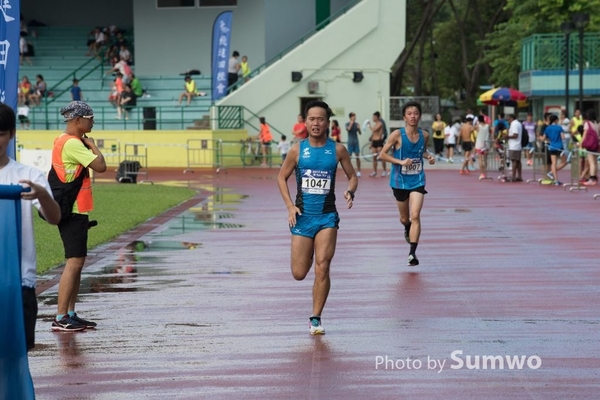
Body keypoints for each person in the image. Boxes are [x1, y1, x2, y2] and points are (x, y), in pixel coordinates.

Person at [277, 100, 358, 335]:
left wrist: (350, 191)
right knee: (299, 273)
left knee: (323, 267)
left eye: (320, 119)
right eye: (311, 119)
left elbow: (352, 176)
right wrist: (290, 207)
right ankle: (307, 253)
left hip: (327, 217)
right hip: (302, 218)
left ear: (327, 123)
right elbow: (281, 178)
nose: (315, 123)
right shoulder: (296, 150)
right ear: (305, 122)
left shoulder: (338, 150)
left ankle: (316, 318)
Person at [0, 103, 61, 349]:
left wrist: (43, 195)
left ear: (12, 134)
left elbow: (55, 217)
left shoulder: (29, 176)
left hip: (18, 281)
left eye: (1, 133)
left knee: (15, 356)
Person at [51, 101, 107, 331]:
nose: (93, 121)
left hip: (75, 210)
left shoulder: (64, 141)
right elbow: (101, 166)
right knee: (73, 263)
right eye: (90, 118)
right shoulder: (73, 144)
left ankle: (70, 313)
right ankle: (60, 317)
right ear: (77, 120)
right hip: (71, 211)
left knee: (78, 262)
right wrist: (93, 145)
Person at [378, 101, 435, 267]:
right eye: (409, 113)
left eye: (416, 113)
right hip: (399, 181)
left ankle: (412, 253)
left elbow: (421, 151)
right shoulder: (397, 135)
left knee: (415, 214)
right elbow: (382, 155)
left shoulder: (424, 135)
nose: (413, 116)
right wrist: (400, 161)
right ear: (404, 117)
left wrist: (428, 157)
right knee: (405, 218)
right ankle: (407, 227)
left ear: (420, 116)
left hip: (417, 179)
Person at [541, 114, 568, 186]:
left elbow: (543, 138)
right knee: (565, 161)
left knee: (554, 163)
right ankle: (551, 172)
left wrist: (549, 140)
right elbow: (563, 137)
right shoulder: (559, 127)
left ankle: (555, 179)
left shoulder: (548, 128)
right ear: (556, 120)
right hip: (559, 147)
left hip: (552, 147)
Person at [580, 109, 600, 186]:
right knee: (594, 162)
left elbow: (584, 135)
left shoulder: (587, 123)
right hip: (595, 144)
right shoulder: (596, 123)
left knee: (591, 162)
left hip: (589, 145)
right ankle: (595, 177)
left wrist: (581, 144)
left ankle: (592, 178)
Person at [506, 114, 523, 182]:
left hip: (514, 145)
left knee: (514, 161)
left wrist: (507, 137)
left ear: (512, 118)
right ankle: (519, 176)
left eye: (508, 118)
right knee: (518, 161)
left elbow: (515, 135)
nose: (508, 120)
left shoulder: (514, 124)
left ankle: (513, 176)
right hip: (517, 145)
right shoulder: (518, 123)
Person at [345, 112, 362, 177]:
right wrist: (351, 123)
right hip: (350, 142)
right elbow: (348, 129)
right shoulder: (347, 124)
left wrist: (359, 128)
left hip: (356, 142)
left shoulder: (357, 124)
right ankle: (348, 171)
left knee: (357, 157)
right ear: (350, 117)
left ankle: (359, 171)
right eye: (353, 116)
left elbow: (360, 133)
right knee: (349, 157)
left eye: (355, 116)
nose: (354, 117)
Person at [474, 114, 490, 180]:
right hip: (486, 144)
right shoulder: (488, 126)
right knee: (485, 159)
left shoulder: (478, 126)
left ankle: (482, 173)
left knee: (480, 160)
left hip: (479, 145)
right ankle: (485, 173)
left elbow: (472, 128)